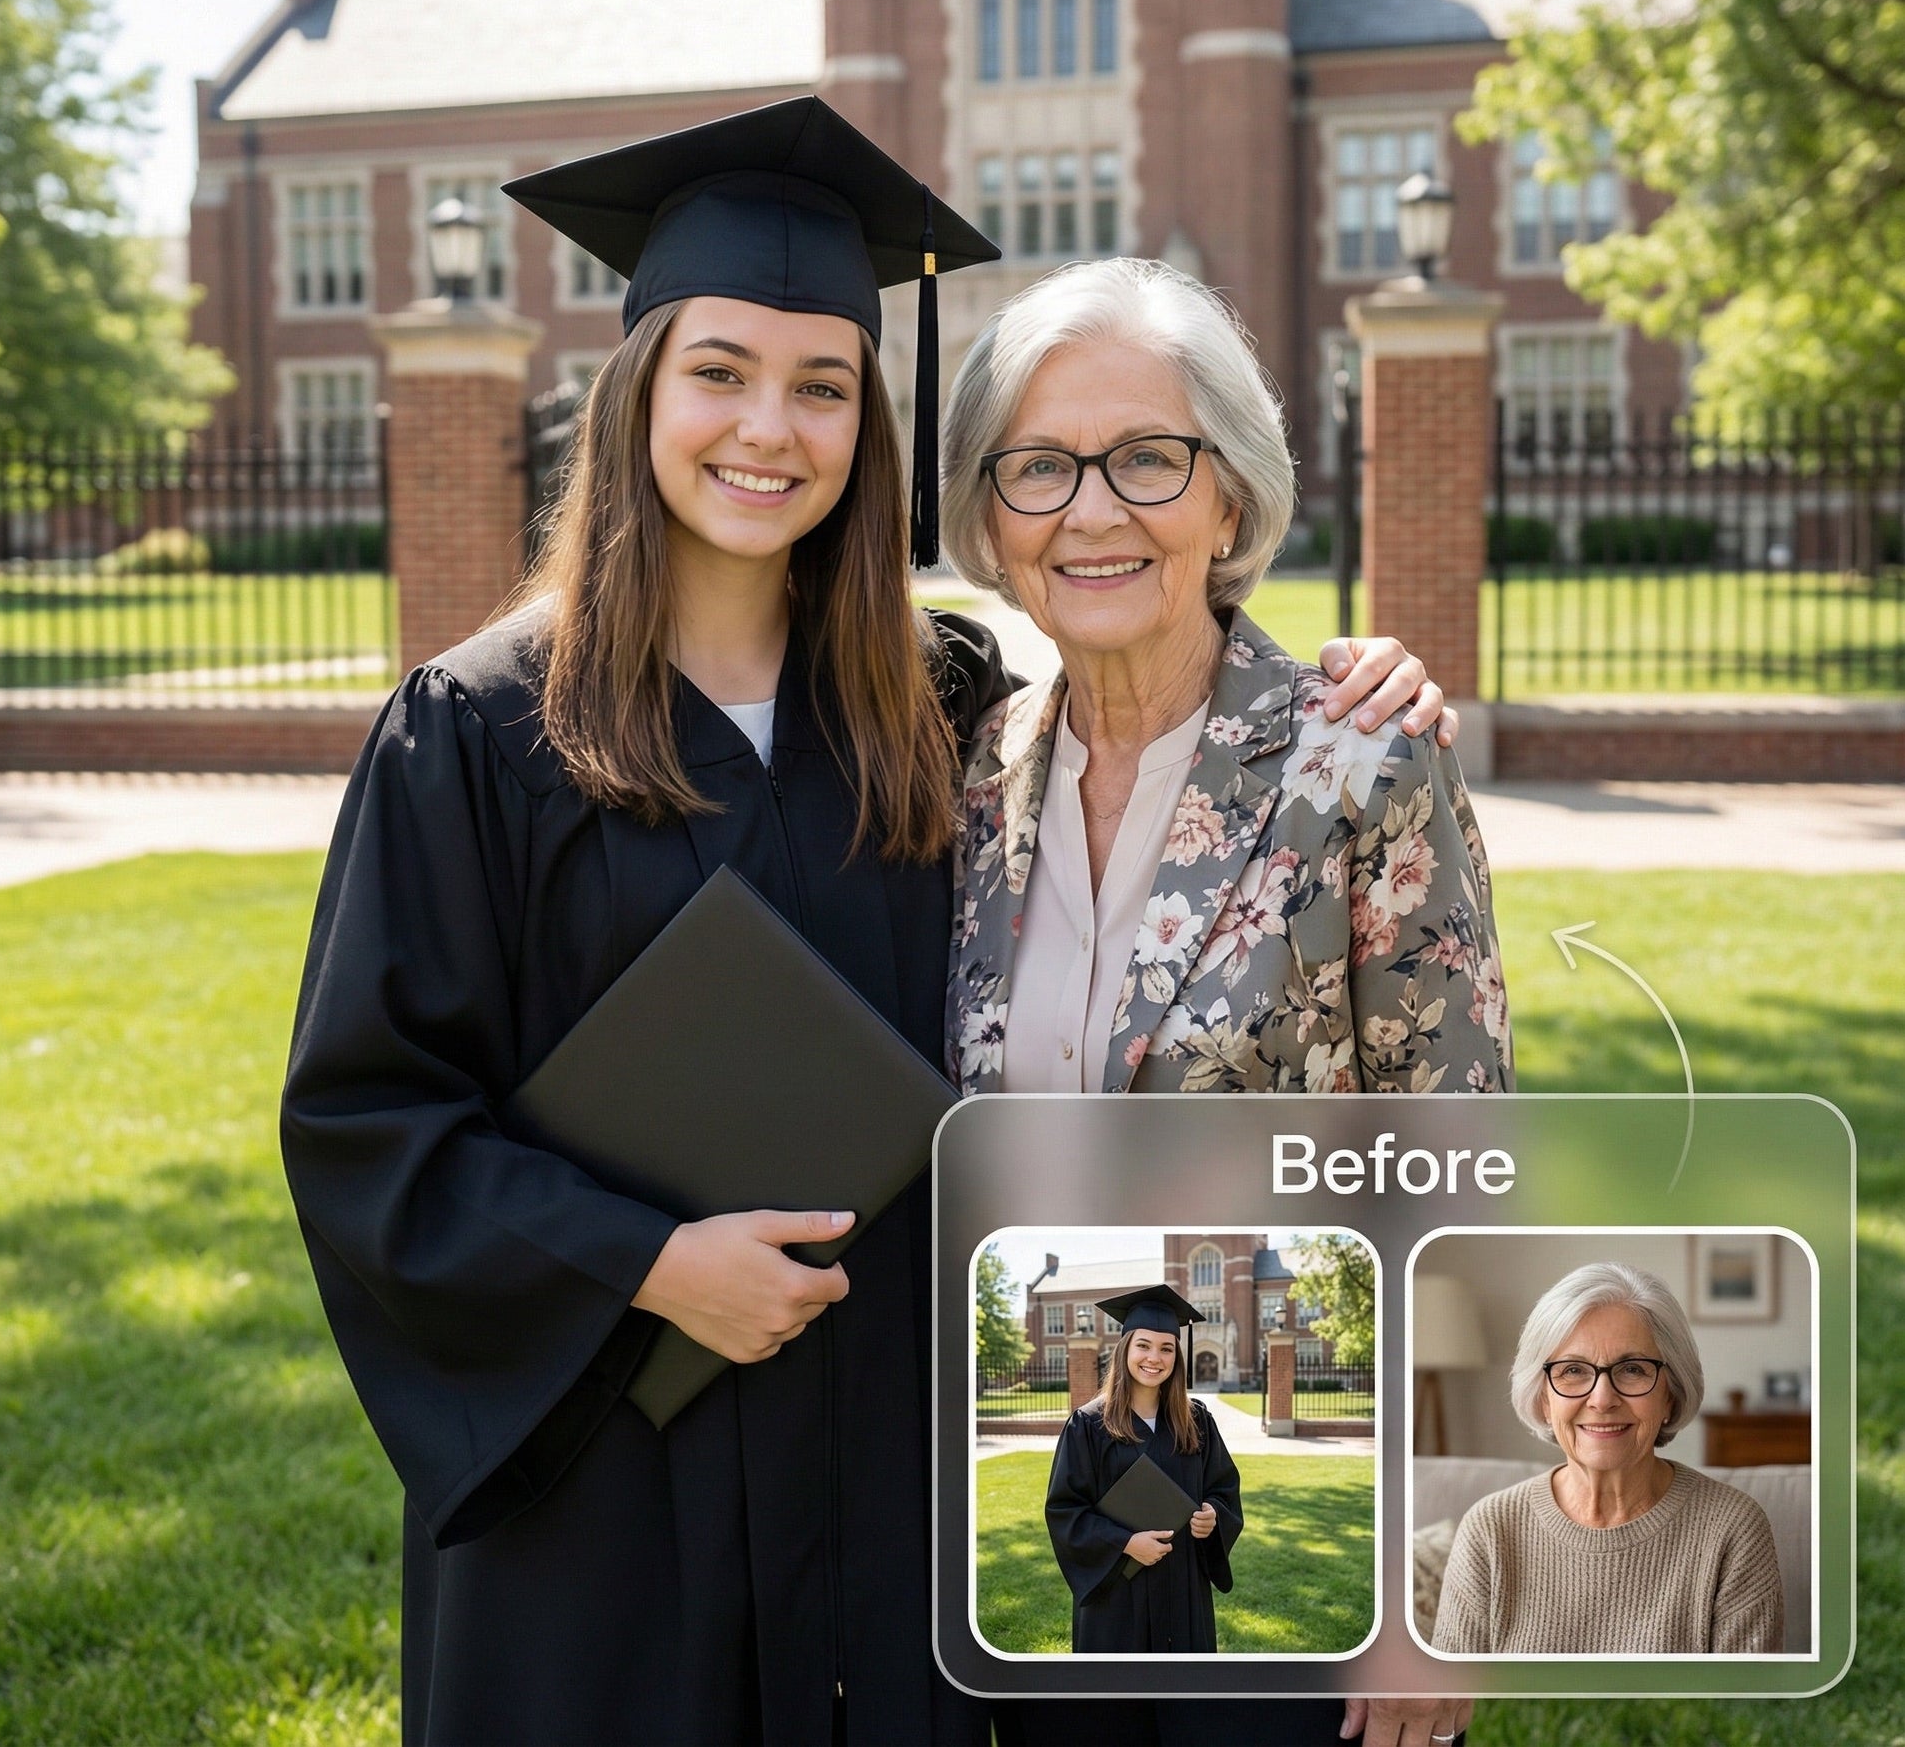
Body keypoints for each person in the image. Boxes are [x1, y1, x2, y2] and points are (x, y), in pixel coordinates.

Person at [278, 99, 1451, 1747]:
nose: (771, 427)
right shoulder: (481, 734)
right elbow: (366, 1119)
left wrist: (1349, 684)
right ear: (634, 392)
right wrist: (645, 1266)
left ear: (870, 425)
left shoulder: (934, 701)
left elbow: (1152, 675)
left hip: (889, 1484)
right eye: (719, 372)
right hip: (611, 1485)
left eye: (823, 384)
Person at [943, 256, 1494, 1747]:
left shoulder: (1358, 758)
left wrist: (1426, 1591)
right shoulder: (968, 771)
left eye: (1146, 456)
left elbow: (1457, 1178)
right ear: (991, 519)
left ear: (1228, 501)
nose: (1092, 508)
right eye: (1039, 466)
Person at [1430, 1263, 1784, 1655]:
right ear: (1544, 1399)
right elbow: (1450, 1708)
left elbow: (1745, 1711)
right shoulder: (1490, 1529)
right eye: (1573, 1370)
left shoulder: (1733, 1529)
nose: (1602, 1399)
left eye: (1633, 1369)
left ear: (1671, 1394)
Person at [1045, 1287, 1242, 1654]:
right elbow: (1065, 1510)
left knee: (1183, 1697)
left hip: (1182, 1583)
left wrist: (1213, 1514)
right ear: (1125, 1350)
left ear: (1177, 1356)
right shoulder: (1088, 1425)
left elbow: (1223, 1488)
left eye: (1167, 1348)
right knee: (1118, 1702)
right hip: (1117, 1592)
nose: (1155, 1358)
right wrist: (1125, 1543)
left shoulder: (1196, 1420)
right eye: (1144, 1345)